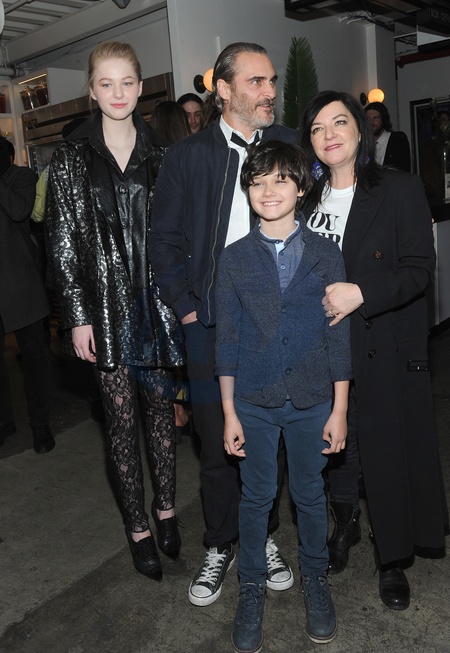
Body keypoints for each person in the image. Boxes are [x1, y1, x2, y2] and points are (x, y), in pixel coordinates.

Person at [150, 42, 299, 606]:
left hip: (275, 323)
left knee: (269, 440)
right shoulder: (186, 156)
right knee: (215, 443)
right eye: (257, 81)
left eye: (272, 81)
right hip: (209, 323)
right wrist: (187, 306)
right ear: (224, 89)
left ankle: (262, 537)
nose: (269, 91)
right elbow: (163, 239)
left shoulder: (288, 144)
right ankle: (220, 543)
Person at [300, 90, 448, 610]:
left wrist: (361, 292)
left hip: (380, 342)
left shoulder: (398, 188)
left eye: (339, 122)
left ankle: (393, 558)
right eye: (317, 128)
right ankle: (345, 526)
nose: (329, 135)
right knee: (335, 448)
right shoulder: (305, 199)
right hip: (321, 349)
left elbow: (419, 270)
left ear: (360, 130)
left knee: (386, 452)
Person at [45, 41, 184, 581]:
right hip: (103, 311)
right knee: (121, 427)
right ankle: (138, 529)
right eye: (106, 83)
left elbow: (178, 237)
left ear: (141, 86)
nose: (118, 93)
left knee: (162, 416)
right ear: (92, 89)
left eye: (127, 82)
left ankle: (166, 509)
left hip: (156, 309)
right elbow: (61, 243)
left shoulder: (164, 155)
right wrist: (77, 316)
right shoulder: (70, 159)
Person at [215, 140, 351, 651]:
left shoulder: (325, 253)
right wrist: (229, 412)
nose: (268, 191)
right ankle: (251, 585)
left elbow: (339, 335)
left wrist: (339, 408)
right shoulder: (234, 258)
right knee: (256, 497)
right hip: (253, 400)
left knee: (311, 495)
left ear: (300, 187)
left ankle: (315, 577)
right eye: (257, 182)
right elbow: (226, 340)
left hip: (314, 398)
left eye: (280, 180)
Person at [0, 139, 55, 454]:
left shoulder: (21, 177)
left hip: (20, 285)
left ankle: (40, 424)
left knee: (35, 357)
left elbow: (20, 210)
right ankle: (4, 422)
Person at [365, 101, 411, 172]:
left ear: (383, 120)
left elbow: (403, 169)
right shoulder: (362, 144)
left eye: (375, 118)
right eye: (368, 118)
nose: (371, 122)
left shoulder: (398, 139)